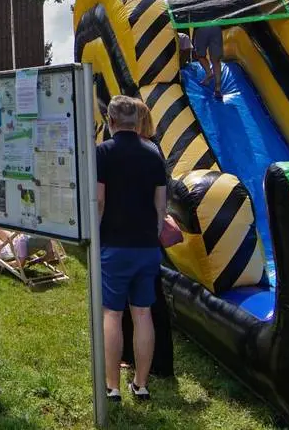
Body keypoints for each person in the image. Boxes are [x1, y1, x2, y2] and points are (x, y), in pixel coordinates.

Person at [96, 95, 170, 402]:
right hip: (146, 246)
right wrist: (152, 234)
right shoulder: (154, 153)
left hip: (114, 243)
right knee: (143, 314)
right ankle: (141, 384)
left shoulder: (104, 152)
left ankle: (112, 386)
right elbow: (161, 205)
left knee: (112, 314)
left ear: (111, 121)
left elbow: (99, 201)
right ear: (136, 120)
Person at [121, 103, 176, 378]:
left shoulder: (147, 150)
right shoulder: (149, 149)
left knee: (148, 301)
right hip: (143, 233)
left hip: (140, 234)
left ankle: (159, 363)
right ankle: (136, 357)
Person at [193, 25, 224, 97]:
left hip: (201, 25)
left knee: (200, 55)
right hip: (216, 26)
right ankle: (218, 88)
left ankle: (209, 72)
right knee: (216, 60)